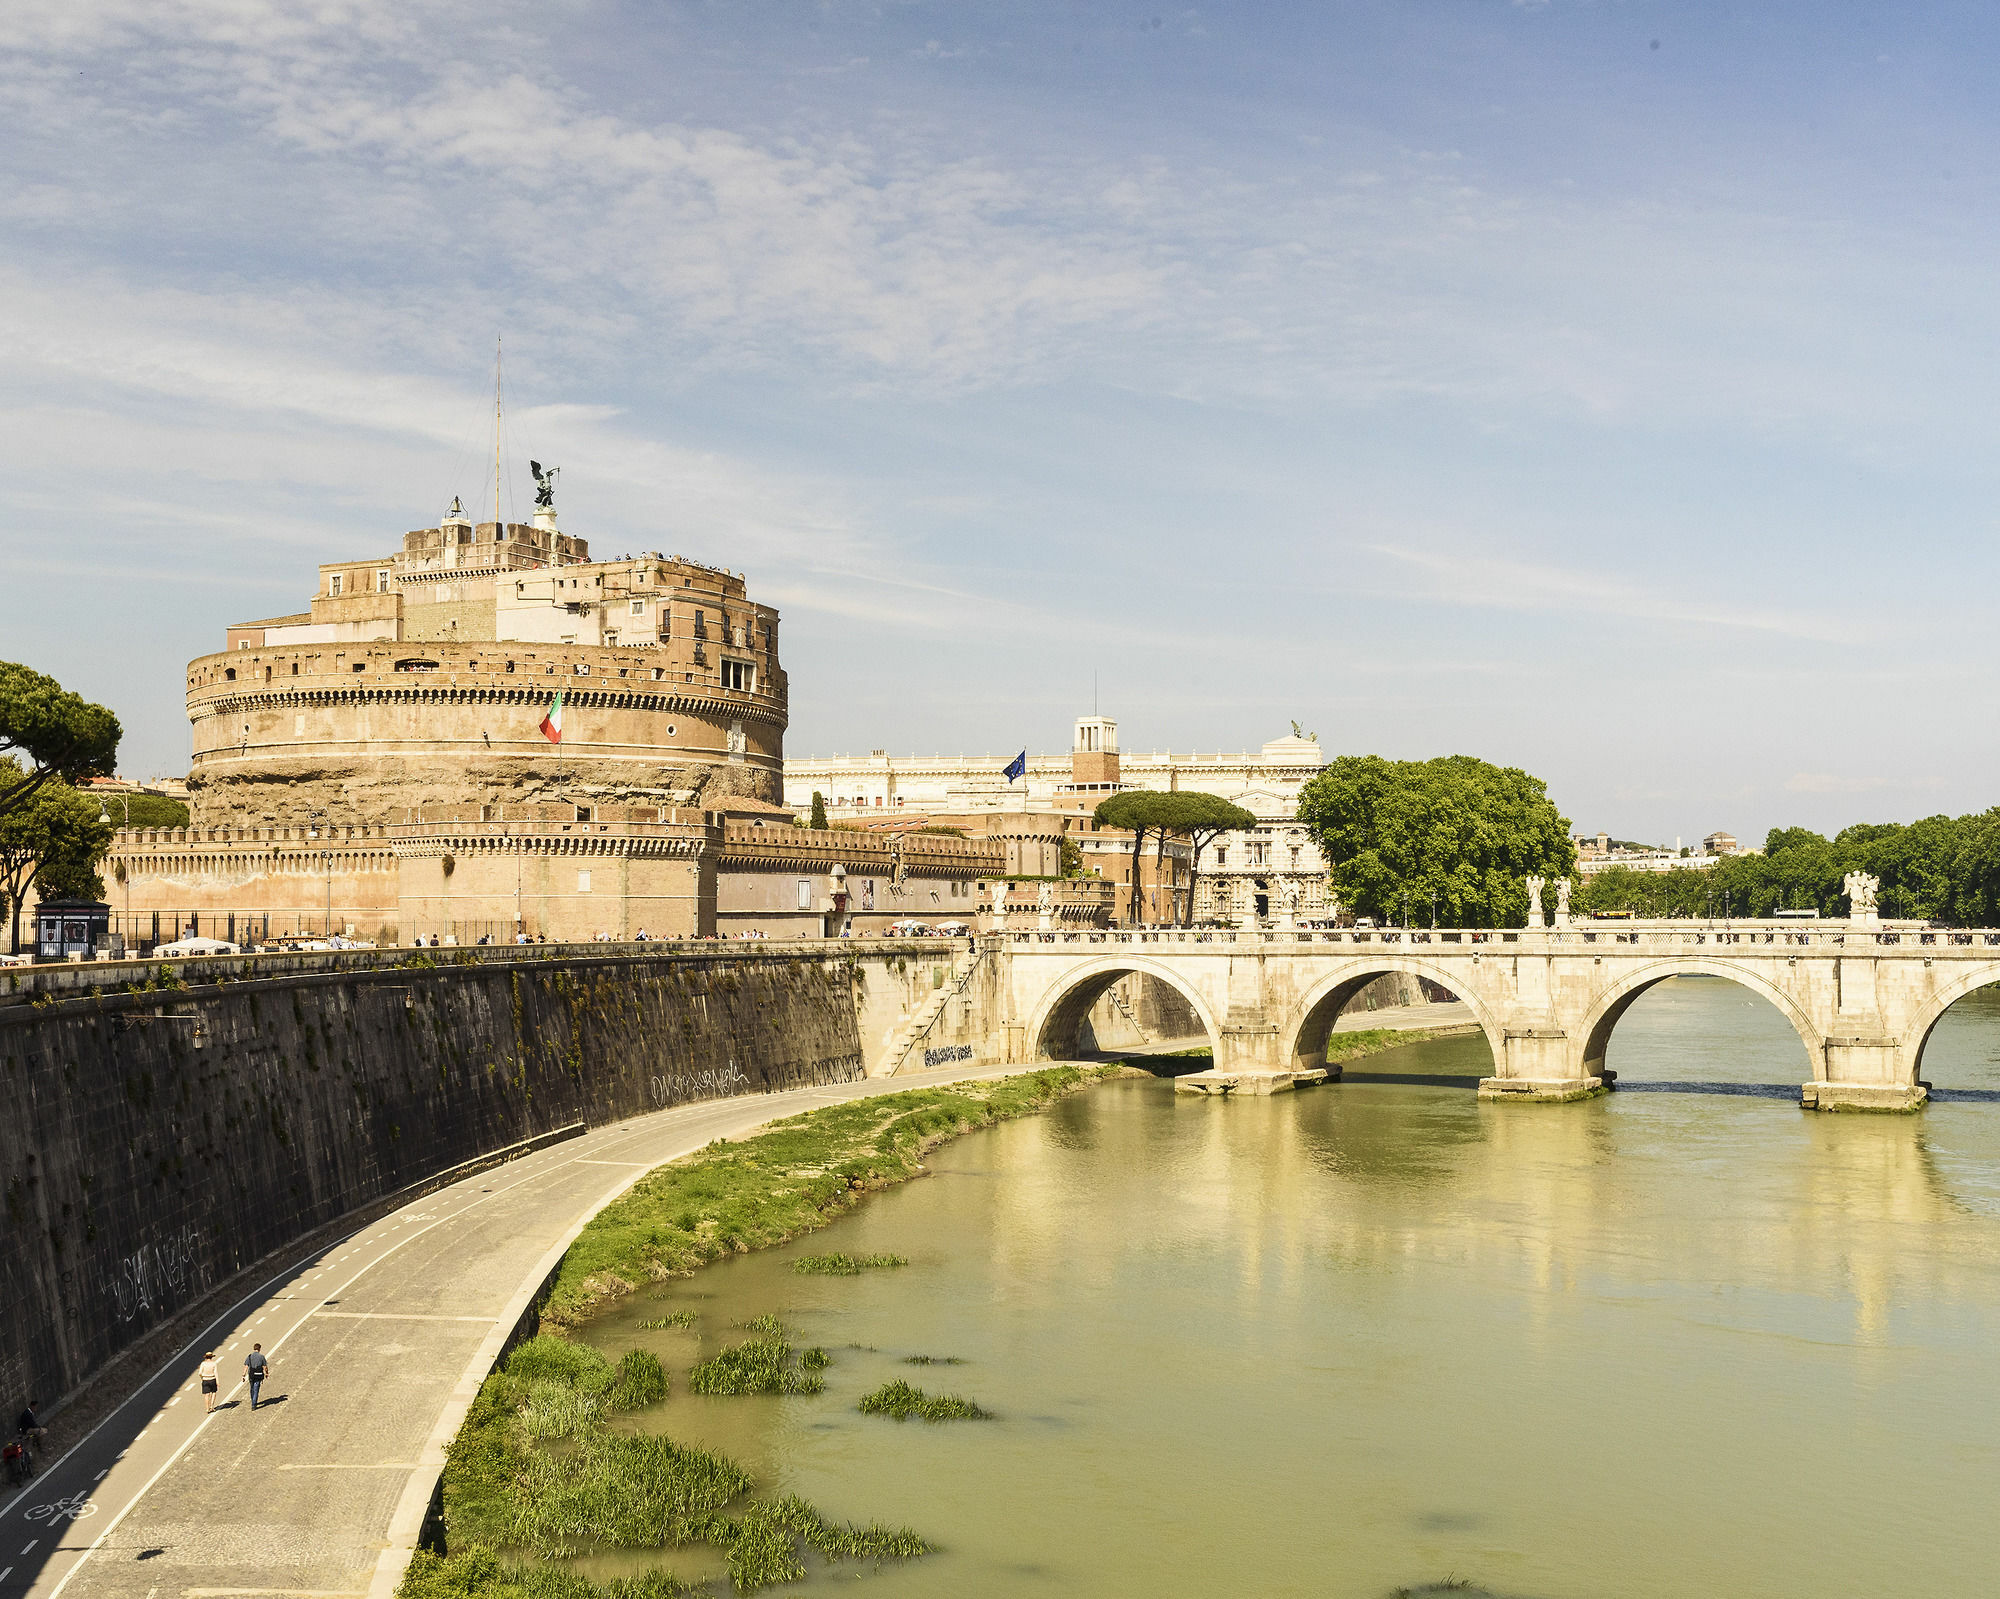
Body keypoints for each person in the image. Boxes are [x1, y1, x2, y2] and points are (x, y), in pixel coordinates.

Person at [244, 1344, 269, 1409]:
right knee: (256, 1389)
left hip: (251, 1375)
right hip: (259, 1375)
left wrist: (243, 1375)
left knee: (252, 1388)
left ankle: (253, 1400)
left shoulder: (249, 1356)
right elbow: (265, 1367)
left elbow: (246, 1366)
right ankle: (254, 1404)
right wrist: (266, 1373)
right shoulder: (261, 1357)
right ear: (259, 1349)